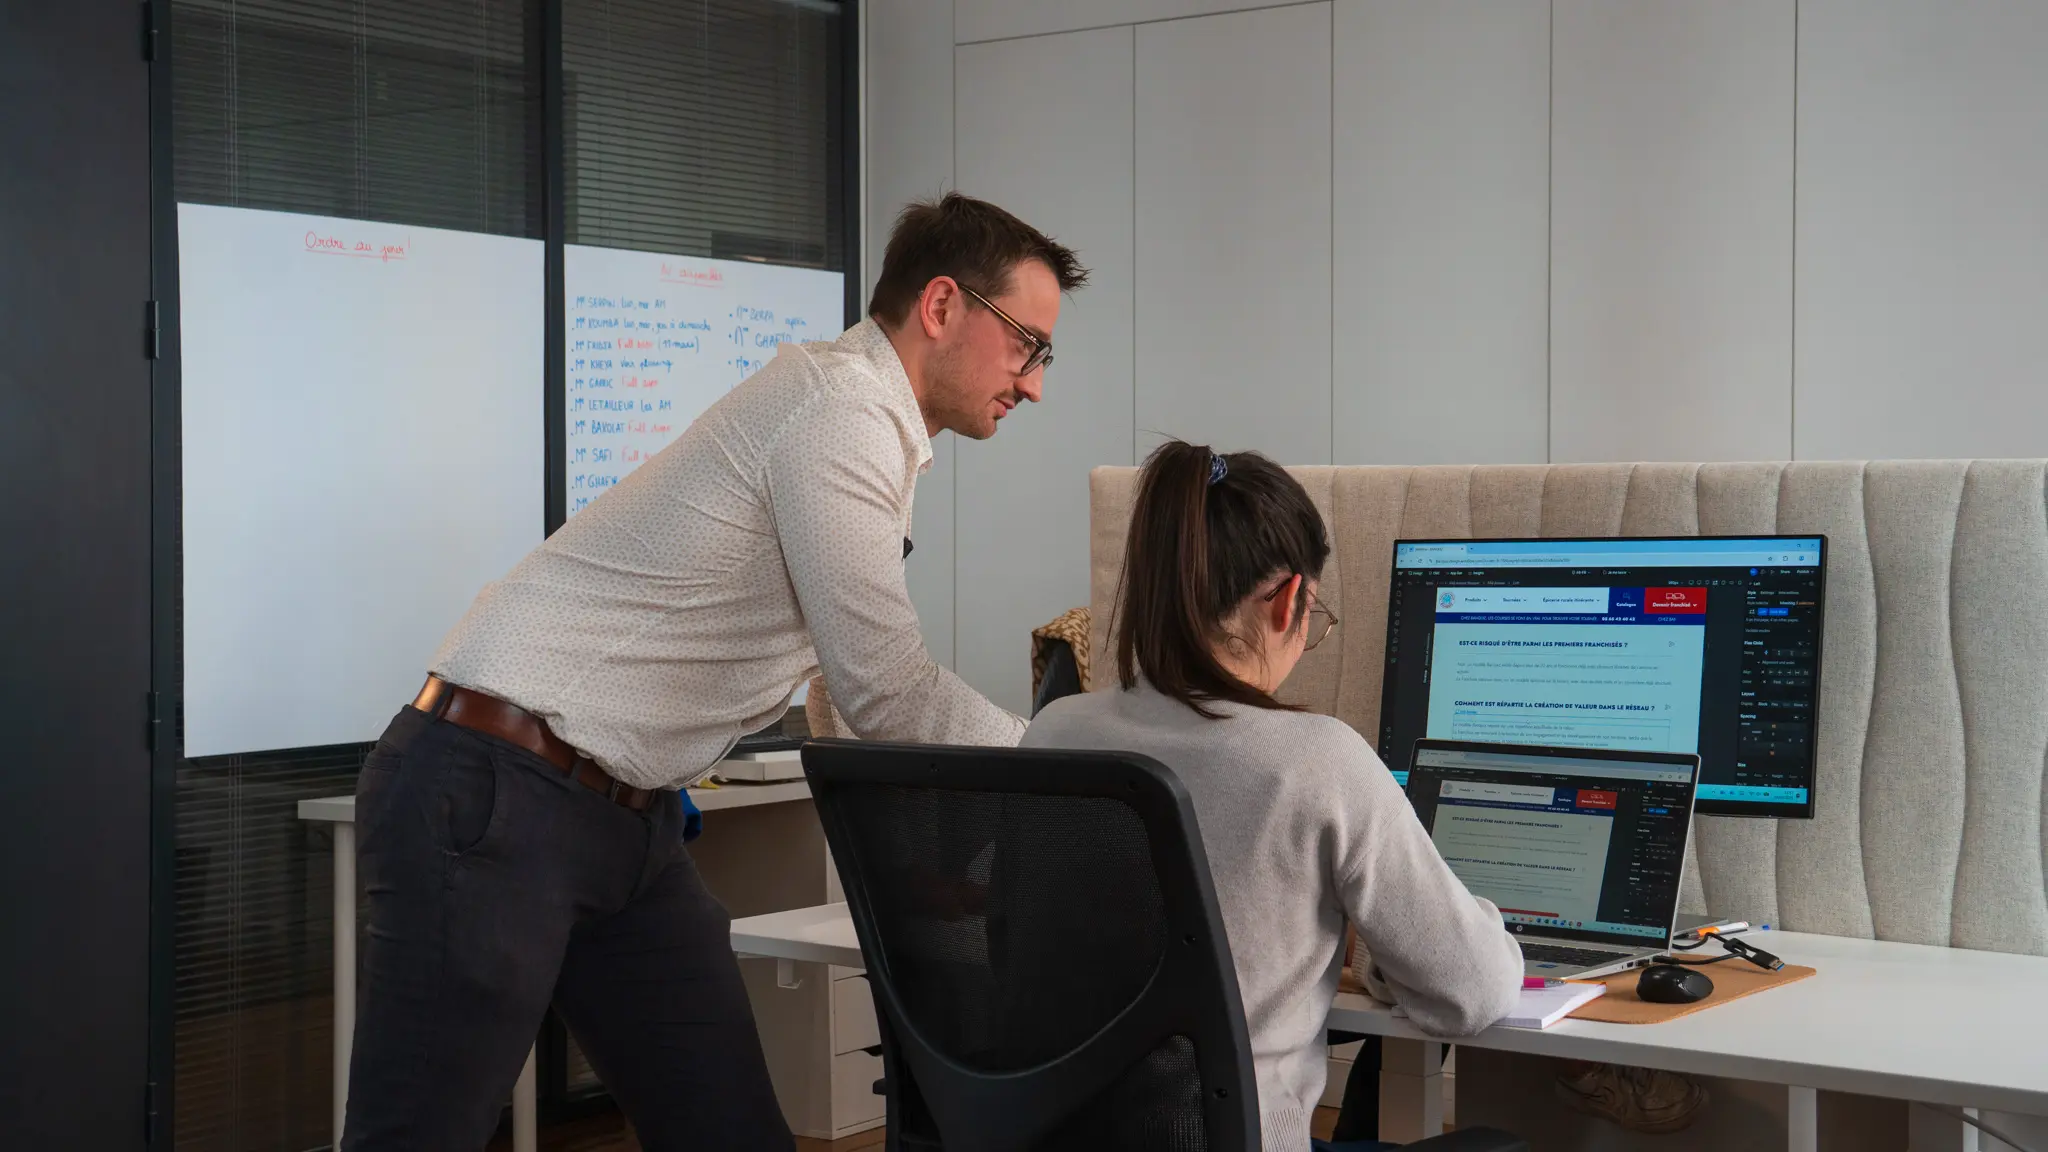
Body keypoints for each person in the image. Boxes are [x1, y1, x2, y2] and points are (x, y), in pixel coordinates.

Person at [342, 193, 1089, 1151]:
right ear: (941, 306)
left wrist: (919, 852)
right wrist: (1071, 761)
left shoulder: (868, 425)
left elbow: (835, 683)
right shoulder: (842, 411)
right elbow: (885, 686)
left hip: (622, 820)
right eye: (1029, 345)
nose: (1034, 385)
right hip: (496, 794)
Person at [1021, 441, 1524, 1152]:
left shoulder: (1053, 734)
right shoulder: (1316, 761)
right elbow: (1474, 993)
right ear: (1290, 598)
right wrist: (1387, 956)